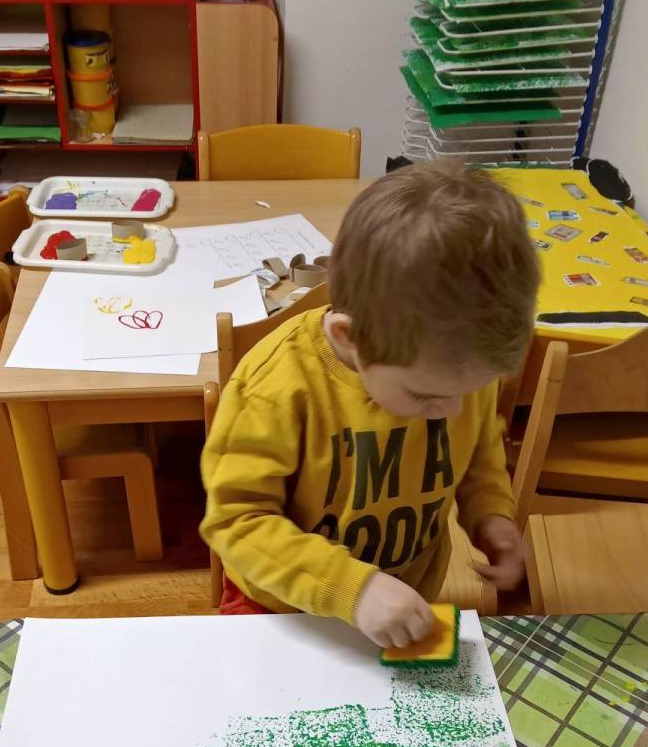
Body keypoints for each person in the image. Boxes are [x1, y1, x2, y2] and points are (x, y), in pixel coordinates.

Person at [200, 161, 540, 648]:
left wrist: (492, 517)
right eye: (425, 396)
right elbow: (236, 522)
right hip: (281, 608)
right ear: (351, 337)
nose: (451, 412)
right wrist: (353, 588)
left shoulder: (453, 368)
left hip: (403, 599)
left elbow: (480, 451)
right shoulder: (275, 389)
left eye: (467, 393)